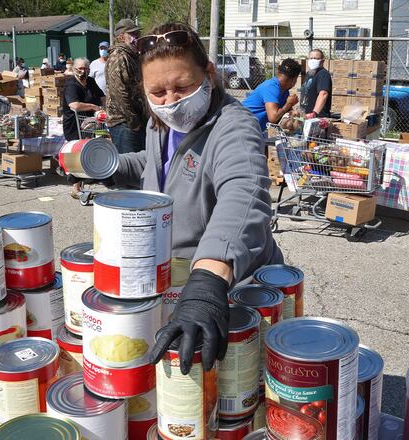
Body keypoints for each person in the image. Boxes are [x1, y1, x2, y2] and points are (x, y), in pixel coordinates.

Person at [108, 22, 282, 375]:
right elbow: (162, 164)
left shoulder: (235, 126)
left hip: (226, 290)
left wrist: (208, 283)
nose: (171, 101)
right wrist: (111, 166)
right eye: (157, 92)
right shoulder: (161, 124)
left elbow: (243, 194)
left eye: (182, 86)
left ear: (210, 74)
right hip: (175, 283)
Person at [62, 58, 106, 198]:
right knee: (76, 154)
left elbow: (102, 96)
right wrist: (93, 106)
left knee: (87, 152)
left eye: (86, 68)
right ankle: (75, 188)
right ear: (74, 69)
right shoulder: (71, 85)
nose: (83, 71)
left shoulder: (91, 81)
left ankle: (84, 182)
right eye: (80, 68)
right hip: (74, 124)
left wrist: (104, 106)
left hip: (90, 122)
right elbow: (74, 105)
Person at [105, 18, 147, 153]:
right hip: (123, 122)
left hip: (135, 120)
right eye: (132, 34)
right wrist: (133, 120)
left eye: (137, 34)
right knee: (129, 167)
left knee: (140, 164)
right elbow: (119, 92)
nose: (137, 37)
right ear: (122, 37)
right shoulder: (118, 56)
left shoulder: (132, 56)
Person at [242, 58, 301, 132]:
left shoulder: (284, 91)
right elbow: (273, 118)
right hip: (241, 126)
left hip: (252, 128)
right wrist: (288, 104)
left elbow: (282, 116)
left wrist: (293, 115)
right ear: (293, 80)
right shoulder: (271, 87)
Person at [300, 49, 332, 118]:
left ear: (322, 61)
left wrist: (314, 112)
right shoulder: (309, 73)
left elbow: (323, 94)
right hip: (306, 115)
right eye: (311, 58)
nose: (312, 60)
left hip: (317, 117)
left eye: (315, 58)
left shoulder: (323, 74)